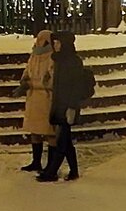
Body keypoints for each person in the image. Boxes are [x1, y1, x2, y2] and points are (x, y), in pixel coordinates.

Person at [38, 31, 90, 182]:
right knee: (66, 142)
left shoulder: (73, 62)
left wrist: (72, 107)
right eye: (54, 43)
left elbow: (75, 87)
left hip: (67, 106)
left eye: (58, 43)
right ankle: (73, 171)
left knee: (62, 142)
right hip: (60, 104)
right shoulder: (60, 60)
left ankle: (52, 172)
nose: (55, 45)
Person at [17, 29, 55, 172]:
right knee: (35, 132)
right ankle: (36, 162)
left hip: (46, 99)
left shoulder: (52, 57)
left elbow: (53, 79)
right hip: (33, 98)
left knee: (50, 132)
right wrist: (24, 82)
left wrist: (41, 83)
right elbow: (27, 71)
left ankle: (50, 165)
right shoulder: (34, 55)